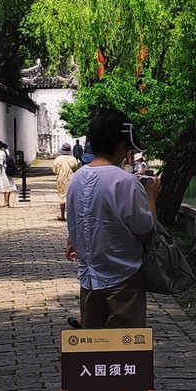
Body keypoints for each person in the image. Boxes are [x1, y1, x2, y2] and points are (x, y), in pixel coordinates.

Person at [65, 108, 161, 329]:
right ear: (120, 144)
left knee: (94, 345)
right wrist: (152, 199)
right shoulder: (125, 181)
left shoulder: (77, 179)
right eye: (128, 146)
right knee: (124, 349)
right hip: (123, 278)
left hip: (89, 278)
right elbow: (146, 233)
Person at [52, 142, 80, 222]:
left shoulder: (58, 159)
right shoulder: (73, 159)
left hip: (61, 178)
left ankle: (62, 215)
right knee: (71, 197)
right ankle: (72, 216)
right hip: (72, 178)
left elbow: (54, 170)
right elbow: (76, 169)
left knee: (62, 197)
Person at [0, 140, 16, 208]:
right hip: (7, 170)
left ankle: (6, 202)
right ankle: (7, 202)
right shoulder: (6, 151)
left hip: (3, 171)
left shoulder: (1, 152)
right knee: (8, 186)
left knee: (5, 187)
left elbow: (0, 162)